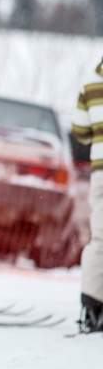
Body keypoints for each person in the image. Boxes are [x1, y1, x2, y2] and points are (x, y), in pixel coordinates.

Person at [72, 54, 103, 334]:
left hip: (100, 171)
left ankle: (92, 306)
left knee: (99, 238)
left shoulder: (92, 80)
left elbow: (80, 130)